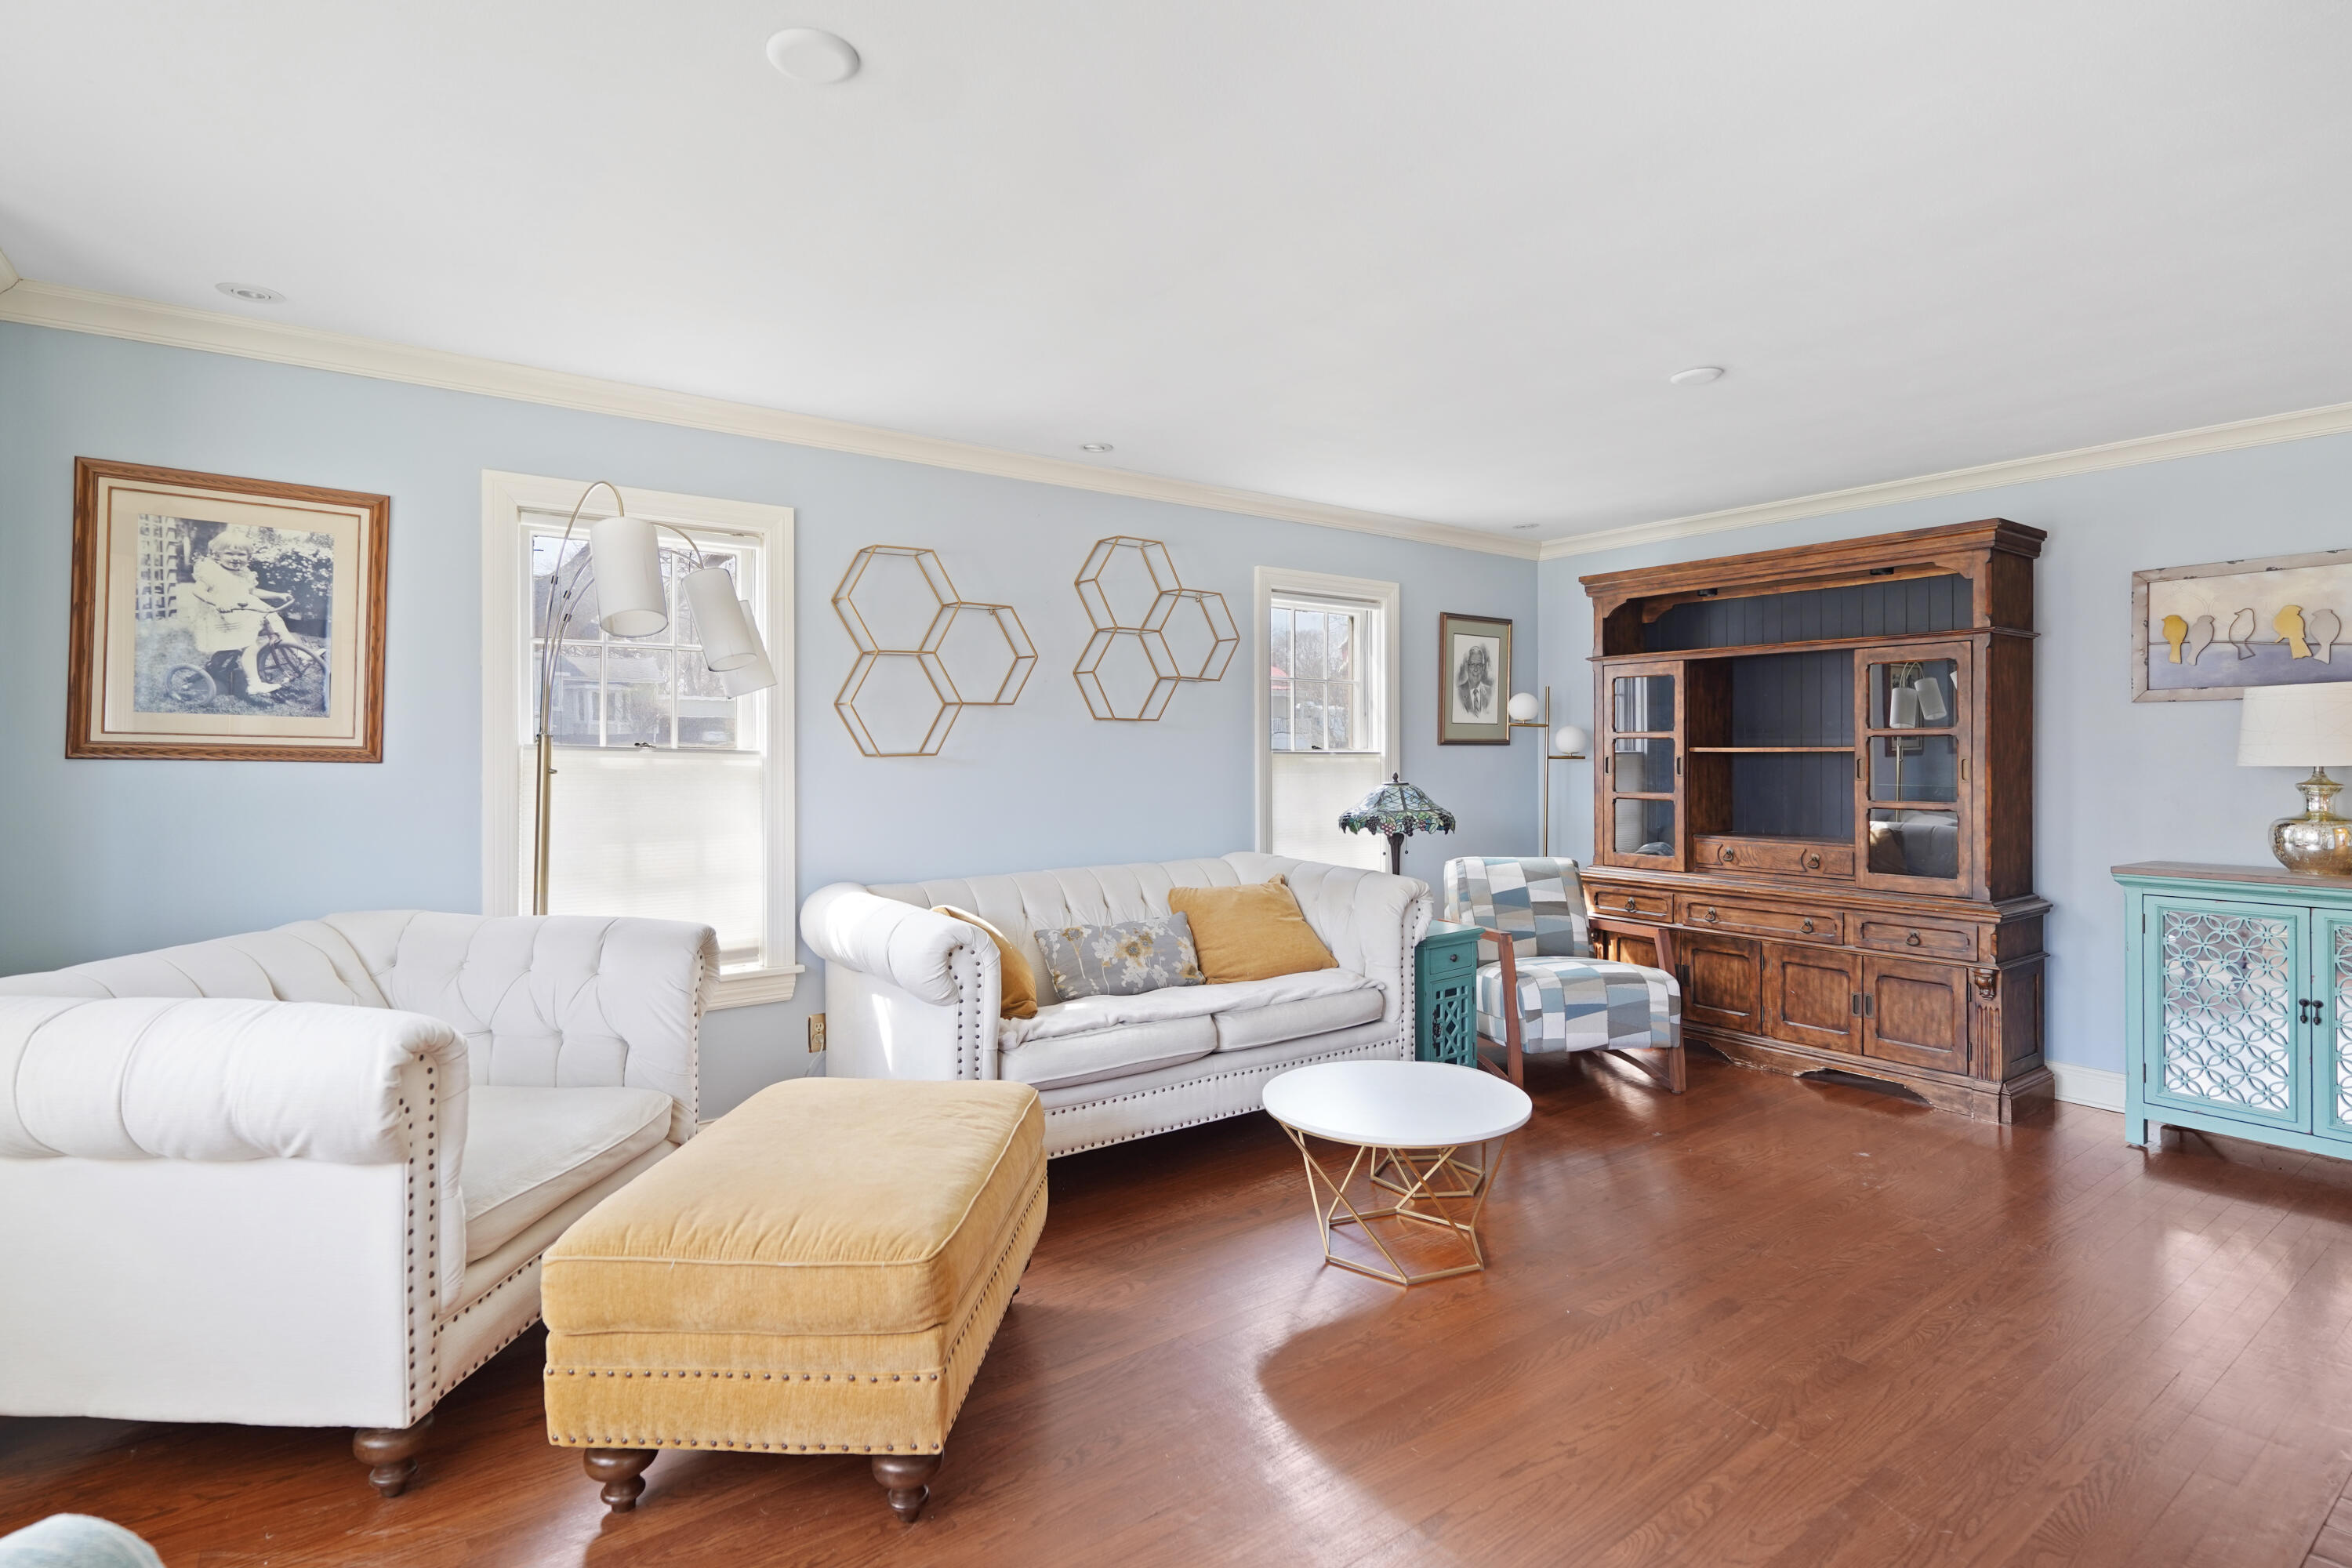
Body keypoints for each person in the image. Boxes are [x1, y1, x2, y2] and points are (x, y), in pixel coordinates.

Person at [183, 533, 293, 699]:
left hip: (242, 612)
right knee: (250, 646)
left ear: (248, 557)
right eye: (229, 553)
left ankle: (303, 655)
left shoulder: (243, 573)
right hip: (223, 618)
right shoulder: (212, 572)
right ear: (216, 555)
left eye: (241, 554)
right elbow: (197, 590)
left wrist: (277, 595)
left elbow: (252, 591)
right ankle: (254, 684)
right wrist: (217, 602)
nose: (236, 558)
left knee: (275, 620)